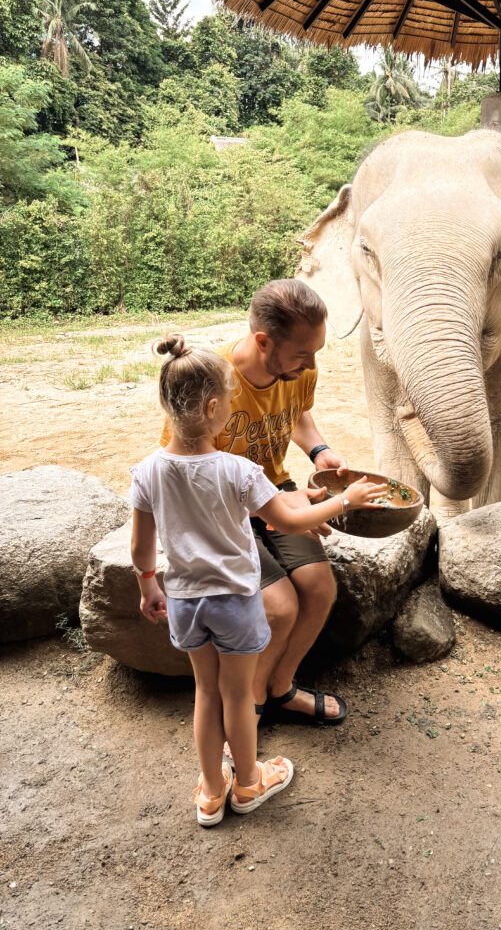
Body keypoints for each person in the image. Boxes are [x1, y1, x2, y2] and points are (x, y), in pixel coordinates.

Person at [132, 334, 385, 825]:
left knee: (206, 694)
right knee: (237, 695)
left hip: (184, 602)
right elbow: (288, 522)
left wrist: (148, 585)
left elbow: (144, 547)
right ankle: (248, 782)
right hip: (235, 603)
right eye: (228, 402)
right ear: (213, 408)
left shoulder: (147, 472)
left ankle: (210, 793)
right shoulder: (239, 470)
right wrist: (345, 501)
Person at [160, 279, 352, 727]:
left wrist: (320, 452)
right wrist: (278, 510)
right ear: (264, 342)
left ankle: (281, 687)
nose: (311, 364)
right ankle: (249, 707)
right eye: (303, 354)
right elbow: (185, 480)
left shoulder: (299, 370)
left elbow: (298, 412)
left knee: (320, 588)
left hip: (275, 490)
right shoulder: (210, 382)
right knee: (280, 606)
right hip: (218, 512)